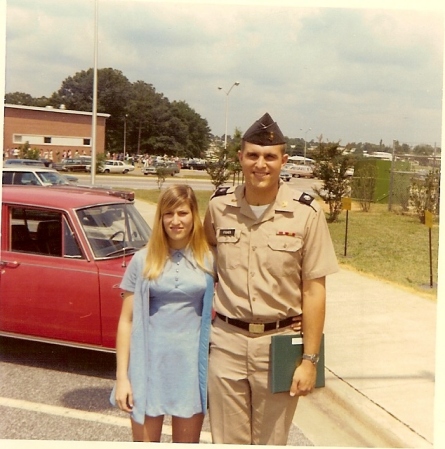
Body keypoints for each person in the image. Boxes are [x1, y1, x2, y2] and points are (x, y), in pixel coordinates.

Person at [204, 112, 339, 445]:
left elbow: (314, 291)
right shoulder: (219, 207)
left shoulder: (306, 213)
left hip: (279, 344)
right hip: (227, 342)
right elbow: (204, 262)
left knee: (271, 441)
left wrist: (309, 359)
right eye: (252, 155)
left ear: (283, 161)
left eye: (269, 156)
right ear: (240, 157)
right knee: (226, 441)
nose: (260, 164)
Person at [111, 184, 215, 442]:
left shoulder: (209, 259)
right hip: (148, 366)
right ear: (160, 218)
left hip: (191, 368)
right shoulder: (142, 259)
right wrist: (122, 378)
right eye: (168, 214)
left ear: (194, 216)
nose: (175, 221)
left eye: (182, 213)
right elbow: (127, 320)